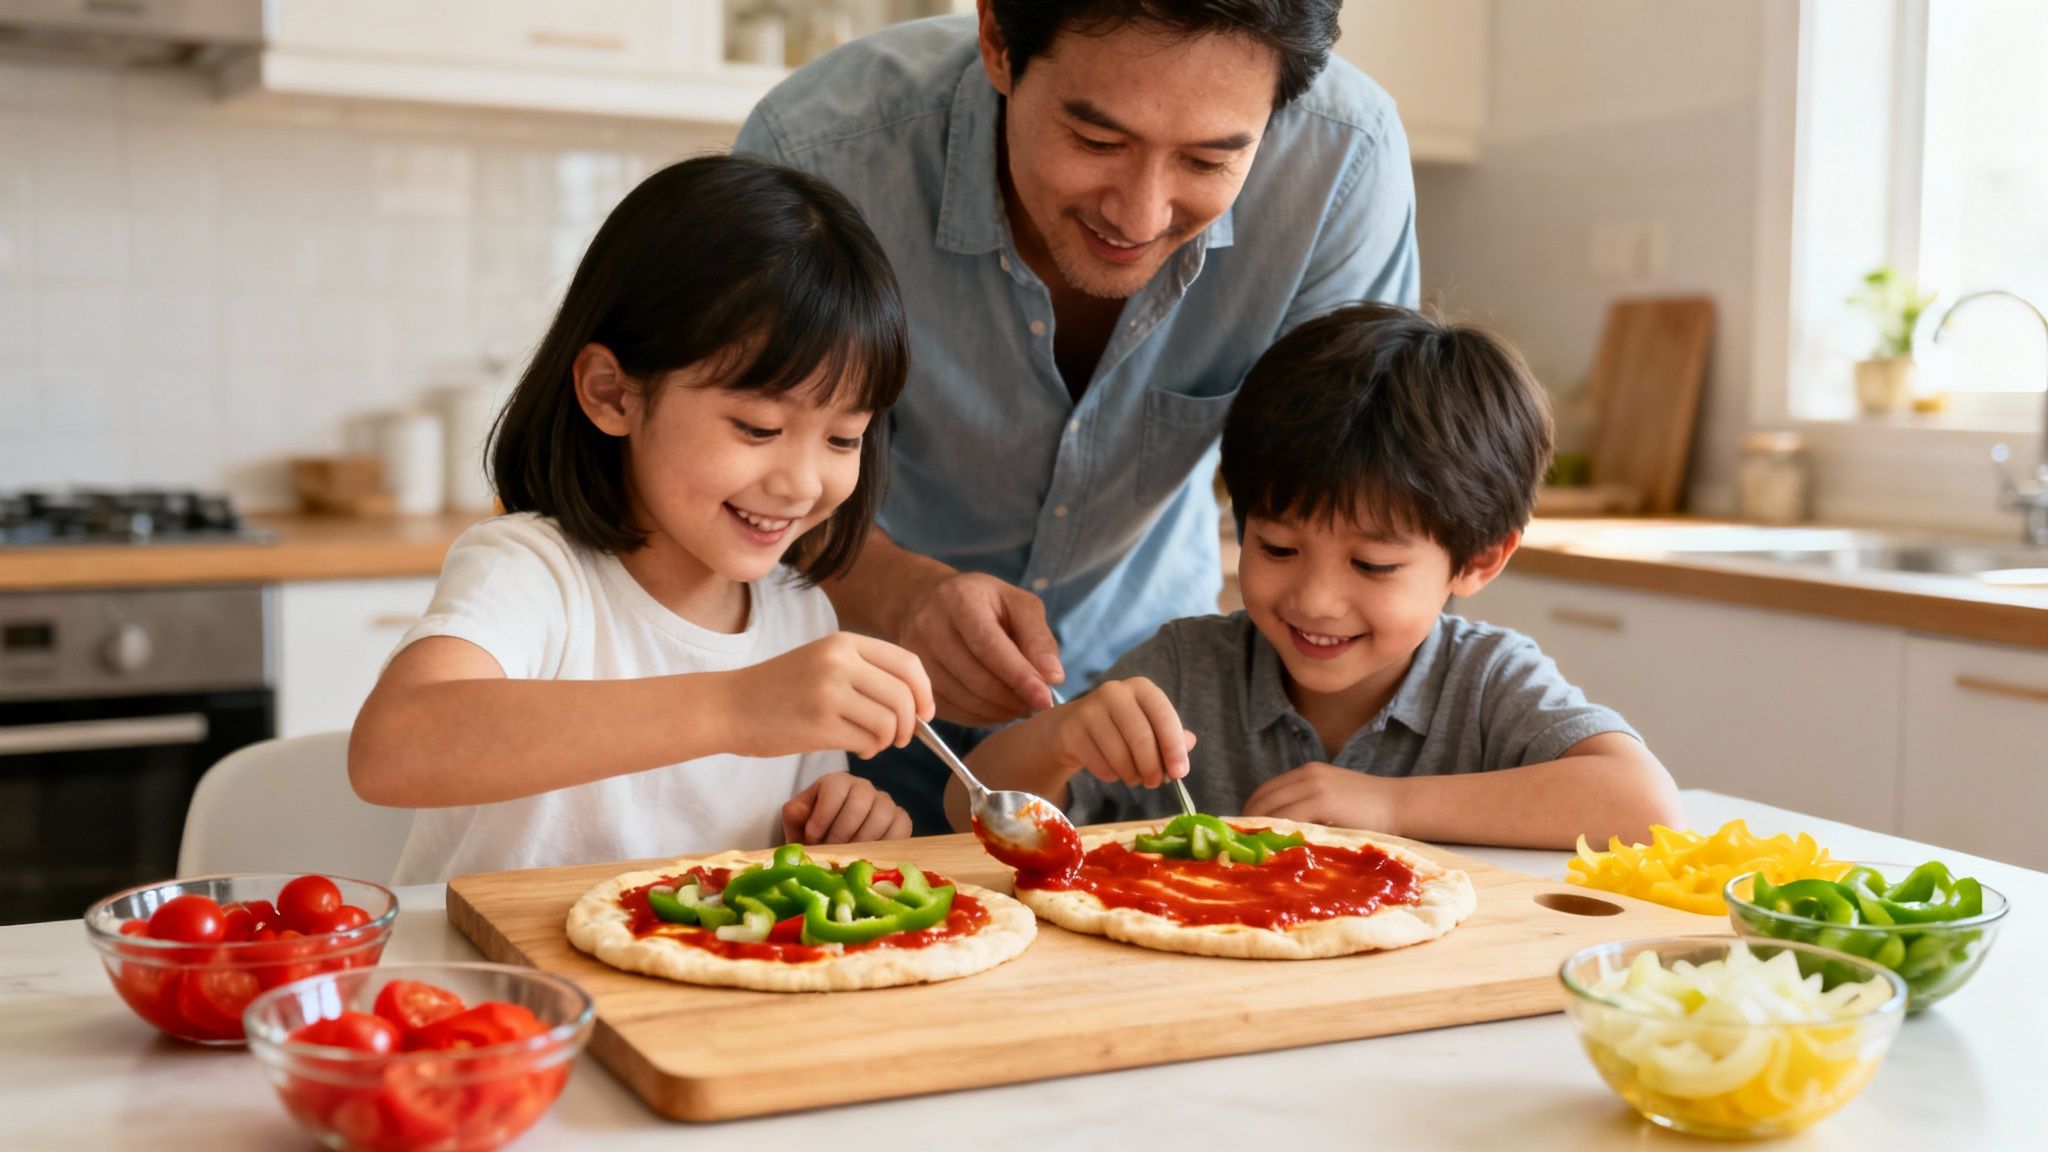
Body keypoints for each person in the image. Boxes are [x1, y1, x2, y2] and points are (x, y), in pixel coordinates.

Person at [735, 0, 1419, 832]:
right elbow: (732, 466)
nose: (1139, 215)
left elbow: (1353, 486)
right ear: (997, 39)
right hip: (849, 711)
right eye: (1097, 142)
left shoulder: (1342, 161)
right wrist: (895, 589)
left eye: (1208, 160)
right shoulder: (820, 153)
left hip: (1145, 723)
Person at [351, 155, 936, 885]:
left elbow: (781, 857)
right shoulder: (533, 572)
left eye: (844, 438)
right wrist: (735, 705)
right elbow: (393, 750)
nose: (801, 482)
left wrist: (838, 818)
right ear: (613, 394)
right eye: (757, 427)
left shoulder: (800, 612)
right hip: (506, 993)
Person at [952, 303, 1685, 849]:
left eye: (1372, 564)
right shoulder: (1185, 668)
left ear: (1480, 559)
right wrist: (1061, 738)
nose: (1315, 599)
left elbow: (1644, 805)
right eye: (1275, 549)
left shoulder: (1488, 682)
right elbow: (970, 808)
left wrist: (1387, 808)